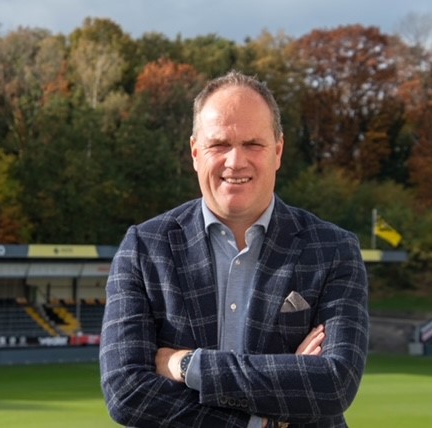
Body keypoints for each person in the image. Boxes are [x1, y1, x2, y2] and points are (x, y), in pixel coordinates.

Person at [99, 70, 369, 427]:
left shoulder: (333, 249)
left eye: (253, 144)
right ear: (196, 152)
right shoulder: (144, 248)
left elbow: (335, 384)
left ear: (278, 151)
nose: (235, 161)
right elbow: (127, 393)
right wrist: (259, 420)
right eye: (219, 144)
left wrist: (186, 365)